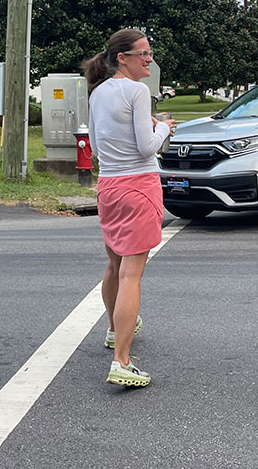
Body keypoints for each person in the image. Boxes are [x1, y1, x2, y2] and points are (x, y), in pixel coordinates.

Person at [84, 28, 175, 388]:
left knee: (114, 267)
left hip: (108, 187)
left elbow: (94, 142)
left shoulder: (99, 92)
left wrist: (149, 125)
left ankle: (113, 331)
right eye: (143, 53)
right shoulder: (138, 91)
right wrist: (165, 128)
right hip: (139, 186)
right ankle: (122, 361)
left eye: (150, 52)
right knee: (131, 276)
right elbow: (146, 147)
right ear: (122, 58)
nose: (148, 59)